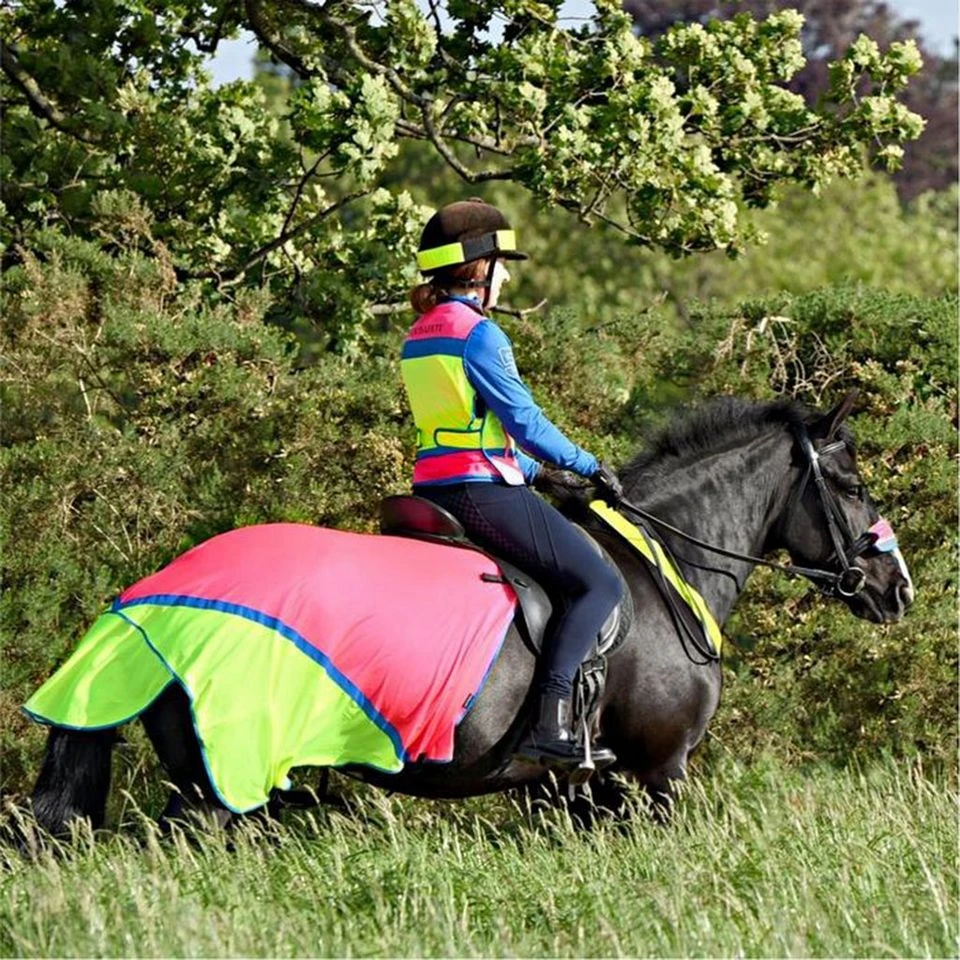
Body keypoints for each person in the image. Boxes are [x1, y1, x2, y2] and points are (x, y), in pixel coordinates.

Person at [399, 197, 624, 773]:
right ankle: (552, 723)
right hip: (481, 493)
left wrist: (538, 474)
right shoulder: (480, 335)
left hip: (432, 491)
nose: (508, 279)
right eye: (503, 267)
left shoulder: (419, 334)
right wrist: (588, 464)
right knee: (598, 583)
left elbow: (461, 430)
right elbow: (525, 423)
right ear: (480, 269)